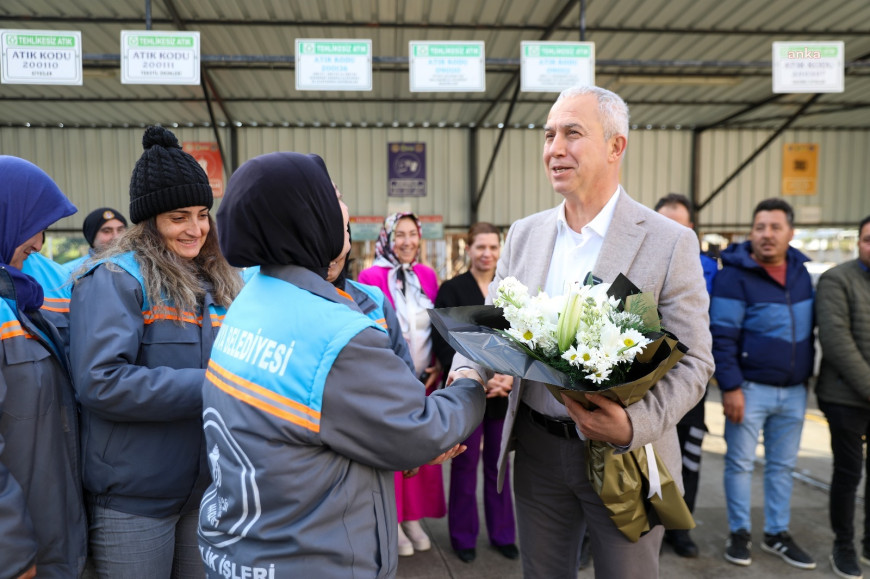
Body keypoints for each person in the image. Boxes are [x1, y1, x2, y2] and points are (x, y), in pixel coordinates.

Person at [449, 85, 714, 578]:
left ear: (617, 146)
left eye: (573, 133)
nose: (554, 148)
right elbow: (488, 331)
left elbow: (696, 360)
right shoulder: (525, 235)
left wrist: (635, 426)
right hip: (536, 450)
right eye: (549, 134)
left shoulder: (669, 241)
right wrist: (462, 383)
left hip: (627, 456)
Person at [196, 151, 486, 577]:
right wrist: (470, 376)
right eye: (331, 204)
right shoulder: (337, 332)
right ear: (306, 221)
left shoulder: (250, 300)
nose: (343, 216)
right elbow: (419, 428)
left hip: (246, 552)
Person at [69, 126, 243, 578]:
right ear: (149, 223)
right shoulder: (115, 279)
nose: (196, 229)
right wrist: (214, 387)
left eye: (203, 214)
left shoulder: (216, 283)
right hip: (134, 499)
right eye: (179, 216)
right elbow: (100, 380)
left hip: (205, 491)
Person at [710, 197, 816, 570]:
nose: (766, 235)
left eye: (775, 227)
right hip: (749, 390)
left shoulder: (802, 274)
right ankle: (739, 532)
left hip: (795, 391)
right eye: (760, 227)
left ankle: (776, 533)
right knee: (739, 464)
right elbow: (721, 338)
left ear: (790, 232)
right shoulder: (733, 276)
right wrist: (732, 387)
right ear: (750, 232)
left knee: (782, 466)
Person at [0, 155, 87, 577]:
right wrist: (12, 554)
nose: (39, 242)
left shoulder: (20, 297)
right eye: (34, 224)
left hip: (48, 531)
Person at [358, 212, 445, 556]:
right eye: (400, 235)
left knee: (424, 448)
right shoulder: (371, 275)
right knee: (394, 450)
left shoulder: (427, 275)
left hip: (428, 379)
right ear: (388, 238)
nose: (407, 241)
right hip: (393, 382)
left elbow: (436, 326)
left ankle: (414, 517)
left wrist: (437, 364)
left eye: (412, 234)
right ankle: (392, 520)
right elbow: (374, 331)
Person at [432, 222, 518, 564]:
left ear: (500, 250)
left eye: (493, 247)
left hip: (502, 392)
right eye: (480, 247)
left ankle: (502, 533)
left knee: (499, 467)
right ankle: (463, 536)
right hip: (467, 393)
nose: (487, 253)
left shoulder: (510, 291)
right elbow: (443, 341)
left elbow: (522, 339)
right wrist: (475, 379)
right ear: (468, 249)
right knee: (464, 465)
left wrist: (508, 379)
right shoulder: (452, 291)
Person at [654, 192, 718, 558]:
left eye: (679, 224)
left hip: (690, 386)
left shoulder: (710, 270)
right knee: (640, 458)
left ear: (690, 228)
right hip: (643, 386)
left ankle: (681, 529)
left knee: (689, 458)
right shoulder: (639, 265)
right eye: (664, 223)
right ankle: (650, 528)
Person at [815, 215, 870, 579]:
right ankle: (844, 545)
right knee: (849, 474)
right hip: (845, 398)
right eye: (868, 239)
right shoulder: (838, 279)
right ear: (857, 243)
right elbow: (836, 342)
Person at [63, 207, 128, 273]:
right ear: (91, 237)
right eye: (107, 231)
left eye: (120, 230)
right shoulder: (70, 271)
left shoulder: (136, 263)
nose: (116, 237)